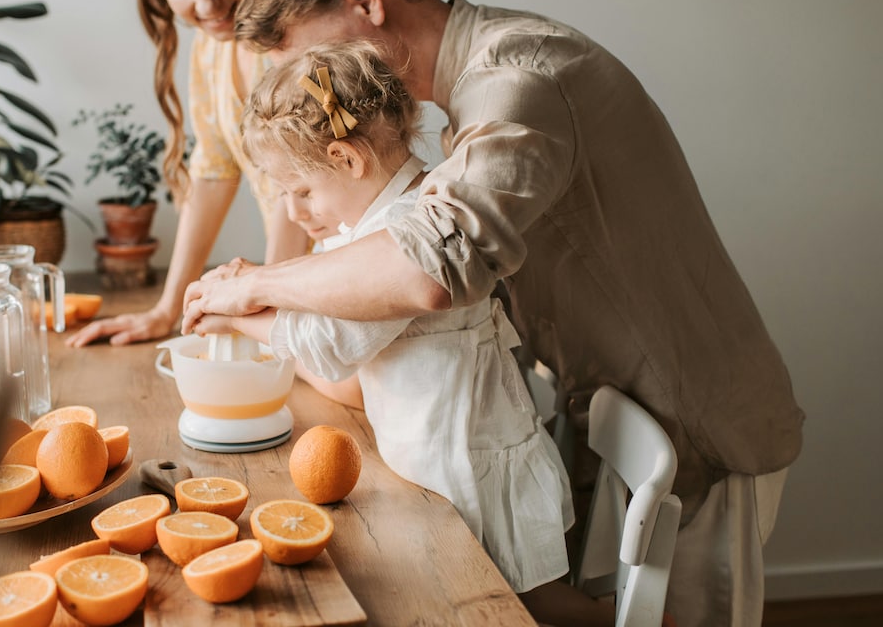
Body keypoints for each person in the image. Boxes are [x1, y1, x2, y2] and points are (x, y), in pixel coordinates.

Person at [181, 0, 804, 626]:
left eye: (310, 56)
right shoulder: (463, 102)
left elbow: (429, 268)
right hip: (612, 410)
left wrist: (254, 286)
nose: (315, 85)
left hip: (696, 424)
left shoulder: (519, 80)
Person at [197, 40, 629, 624]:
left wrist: (233, 316)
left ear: (347, 159)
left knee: (516, 601)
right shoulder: (373, 223)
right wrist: (250, 292)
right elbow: (321, 319)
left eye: (301, 192)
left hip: (464, 465)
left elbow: (329, 347)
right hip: (434, 456)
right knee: (498, 598)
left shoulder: (401, 229)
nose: (294, 213)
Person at [65, 0, 305, 349]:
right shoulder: (210, 49)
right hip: (288, 295)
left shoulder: (300, 34)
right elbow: (213, 172)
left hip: (329, 286)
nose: (205, 5)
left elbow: (303, 179)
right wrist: (168, 309)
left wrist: (272, 310)